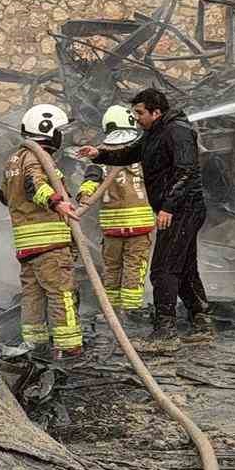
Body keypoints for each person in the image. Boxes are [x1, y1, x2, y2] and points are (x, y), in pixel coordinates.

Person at [78, 87, 212, 353]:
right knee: (183, 268)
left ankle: (165, 333)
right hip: (178, 209)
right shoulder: (155, 133)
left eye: (140, 113)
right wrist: (99, 154)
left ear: (156, 112)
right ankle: (202, 323)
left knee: (163, 270)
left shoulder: (178, 132)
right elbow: (130, 154)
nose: (136, 117)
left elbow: (185, 173)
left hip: (183, 209)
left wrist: (168, 208)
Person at [0, 103, 83, 359]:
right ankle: (69, 347)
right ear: (51, 132)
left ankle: (36, 346)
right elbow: (35, 185)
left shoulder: (14, 158)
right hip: (50, 244)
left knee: (32, 295)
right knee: (61, 294)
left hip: (27, 244)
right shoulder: (37, 157)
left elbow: (3, 194)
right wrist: (57, 202)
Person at [76, 103, 155, 321]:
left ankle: (111, 313)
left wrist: (83, 197)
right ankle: (130, 311)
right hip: (140, 225)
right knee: (134, 266)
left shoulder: (101, 153)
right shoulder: (142, 150)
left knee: (111, 268)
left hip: (112, 228)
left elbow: (91, 180)